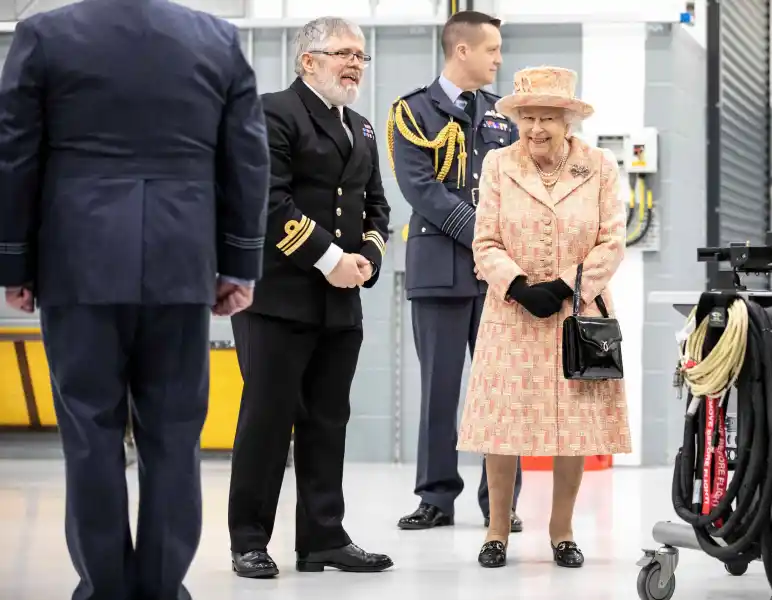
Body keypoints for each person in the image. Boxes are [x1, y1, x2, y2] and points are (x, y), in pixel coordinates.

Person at [0, 0, 269, 598]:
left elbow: (14, 153)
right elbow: (248, 159)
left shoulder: (43, 34)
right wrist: (239, 264)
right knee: (174, 433)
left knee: (89, 432)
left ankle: (103, 588)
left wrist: (14, 262)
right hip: (182, 256)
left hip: (78, 257)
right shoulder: (217, 39)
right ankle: (162, 586)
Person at [227, 16, 393, 577]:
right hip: (278, 298)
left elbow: (378, 206)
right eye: (343, 53)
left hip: (341, 303)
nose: (355, 64)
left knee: (328, 421)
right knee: (268, 421)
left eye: (361, 56)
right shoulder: (272, 112)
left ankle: (322, 536)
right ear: (308, 60)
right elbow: (266, 200)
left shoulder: (364, 129)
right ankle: (249, 539)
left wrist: (366, 257)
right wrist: (330, 259)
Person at [456, 66, 632, 568]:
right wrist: (515, 283)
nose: (536, 128)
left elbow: (612, 241)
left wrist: (565, 285)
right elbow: (484, 239)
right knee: (503, 424)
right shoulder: (497, 165)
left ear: (567, 120)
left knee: (573, 425)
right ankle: (496, 532)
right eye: (528, 117)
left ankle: (562, 529)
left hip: (575, 313)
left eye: (547, 118)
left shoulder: (598, 166)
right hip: (511, 312)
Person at [389, 9, 524, 534]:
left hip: (499, 276)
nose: (498, 59)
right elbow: (422, 189)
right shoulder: (413, 111)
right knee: (439, 390)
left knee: (504, 390)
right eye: (491, 49)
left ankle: (502, 501)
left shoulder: (504, 115)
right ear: (461, 49)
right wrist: (484, 234)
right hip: (441, 268)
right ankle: (435, 498)